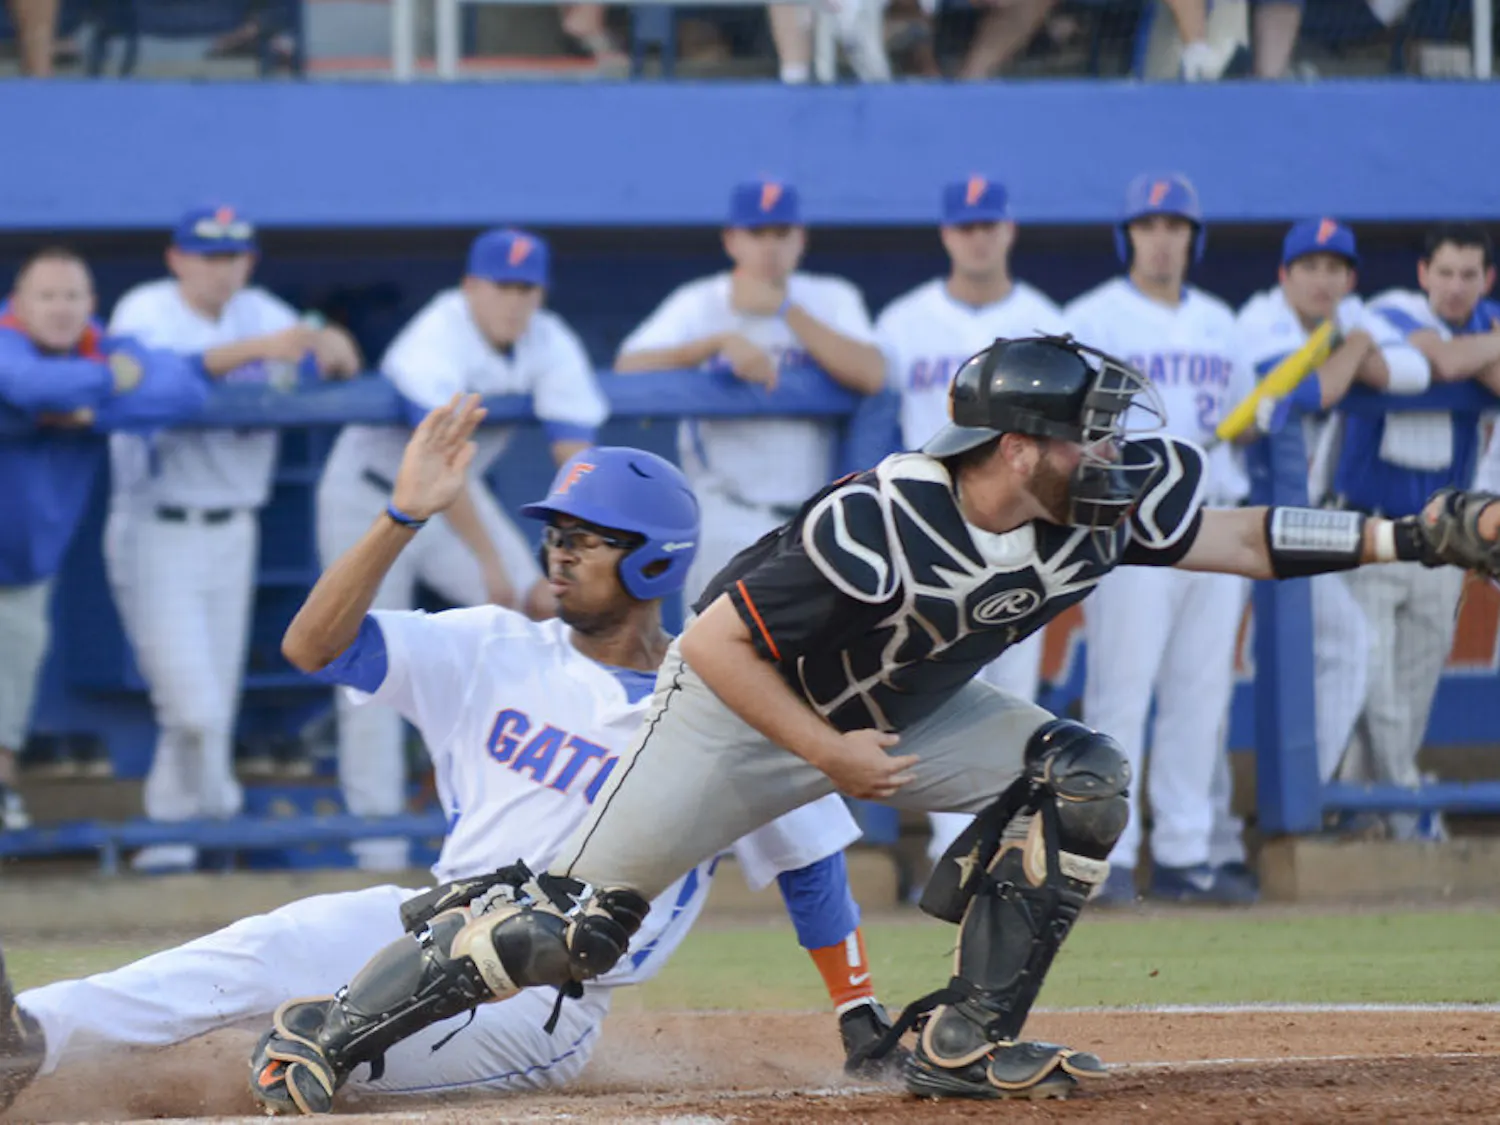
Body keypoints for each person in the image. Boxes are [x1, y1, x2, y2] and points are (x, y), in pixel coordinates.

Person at [231, 333, 1500, 1110]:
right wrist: (825, 754)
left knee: (1083, 773)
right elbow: (720, 641)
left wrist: (1426, 534)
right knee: (573, 928)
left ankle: (959, 1038)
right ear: (1016, 443)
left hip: (910, 715)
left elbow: (1240, 539)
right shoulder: (885, 516)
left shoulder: (1100, 507)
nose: (1113, 450)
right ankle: (323, 1038)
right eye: (1087, 432)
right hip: (734, 722)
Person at [0, 401, 898, 1117]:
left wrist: (858, 1017)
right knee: (253, 950)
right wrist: (402, 518)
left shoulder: (727, 703)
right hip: (419, 922)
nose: (560, 550)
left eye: (588, 537)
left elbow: (812, 866)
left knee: (299, 1052)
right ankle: (27, 1036)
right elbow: (313, 647)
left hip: (542, 1001)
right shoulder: (490, 645)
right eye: (556, 531)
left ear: (655, 564)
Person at [316, 227, 609, 870]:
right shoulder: (435, 334)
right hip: (371, 498)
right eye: (500, 286)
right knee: (359, 657)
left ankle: (539, 816)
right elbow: (442, 462)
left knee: (542, 606)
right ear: (470, 287)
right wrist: (490, 562)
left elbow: (574, 454)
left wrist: (568, 551)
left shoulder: (549, 339)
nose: (513, 300)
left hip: (458, 497)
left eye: (526, 287)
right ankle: (378, 850)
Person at [103, 205, 363, 873]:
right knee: (195, 707)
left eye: (235, 256)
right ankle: (218, 813)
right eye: (209, 255)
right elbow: (154, 376)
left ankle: (169, 847)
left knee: (203, 706)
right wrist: (262, 349)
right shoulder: (147, 307)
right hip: (158, 525)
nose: (224, 269)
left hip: (233, 528)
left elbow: (335, 355)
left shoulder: (259, 308)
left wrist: (327, 338)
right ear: (177, 258)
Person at [1065, 173, 1255, 905]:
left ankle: (1182, 851)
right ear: (1129, 235)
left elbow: (1243, 416)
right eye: (1150, 224)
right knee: (1121, 690)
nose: (1164, 238)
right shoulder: (1093, 319)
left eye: (1177, 225)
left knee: (1201, 695)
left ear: (1192, 238)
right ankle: (1105, 855)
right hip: (1131, 530)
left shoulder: (1221, 321)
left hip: (1215, 518)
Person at [873, 174, 1068, 867]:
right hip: (931, 526)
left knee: (1016, 695)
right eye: (966, 225)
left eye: (989, 223)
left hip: (1022, 526)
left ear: (1008, 229)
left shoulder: (1046, 318)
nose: (978, 236)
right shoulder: (900, 321)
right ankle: (950, 859)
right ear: (947, 233)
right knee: (934, 689)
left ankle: (1009, 855)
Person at [0, 246, 209, 834]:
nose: (61, 308)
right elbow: (26, 383)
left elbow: (184, 389)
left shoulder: (101, 342)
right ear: (18, 304)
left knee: (10, 682)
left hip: (24, 564)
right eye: (47, 296)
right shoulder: (9, 339)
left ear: (91, 304)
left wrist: (92, 411)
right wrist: (108, 387)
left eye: (72, 296)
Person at [614, 178, 885, 605]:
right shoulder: (701, 302)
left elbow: (872, 374)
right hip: (727, 511)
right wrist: (713, 343)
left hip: (810, 519)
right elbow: (628, 367)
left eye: (781, 233)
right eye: (757, 234)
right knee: (707, 661)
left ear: (800, 239)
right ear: (731, 240)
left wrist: (784, 310)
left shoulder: (830, 297)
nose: (770, 247)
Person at [1232, 218, 1432, 791]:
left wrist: (1357, 346)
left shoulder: (1350, 318)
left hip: (1291, 525)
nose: (1322, 281)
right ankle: (1281, 803)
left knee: (1347, 645)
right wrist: (1360, 347)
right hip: (1234, 515)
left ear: (1350, 278)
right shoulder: (1259, 319)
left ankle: (1303, 794)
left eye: (1335, 269)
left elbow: (1415, 372)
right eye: (1309, 267)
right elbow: (1307, 394)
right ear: (1284, 275)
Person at [1328, 224, 1500, 839]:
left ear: (1488, 279)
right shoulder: (1391, 307)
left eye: (1469, 275)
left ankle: (1363, 813)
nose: (1456, 287)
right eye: (1446, 273)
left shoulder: (1486, 317)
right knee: (1371, 679)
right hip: (1374, 528)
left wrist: (1468, 350)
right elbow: (1450, 360)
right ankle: (1404, 813)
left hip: (1448, 541)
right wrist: (1483, 349)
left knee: (1413, 686)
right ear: (1425, 273)